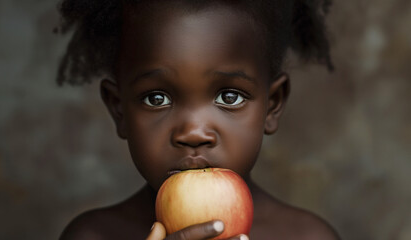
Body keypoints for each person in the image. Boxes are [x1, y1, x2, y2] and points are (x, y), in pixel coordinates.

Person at [56, 0, 340, 239]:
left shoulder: (309, 236)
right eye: (157, 99)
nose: (193, 132)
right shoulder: (92, 235)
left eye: (230, 97)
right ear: (119, 109)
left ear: (272, 105)